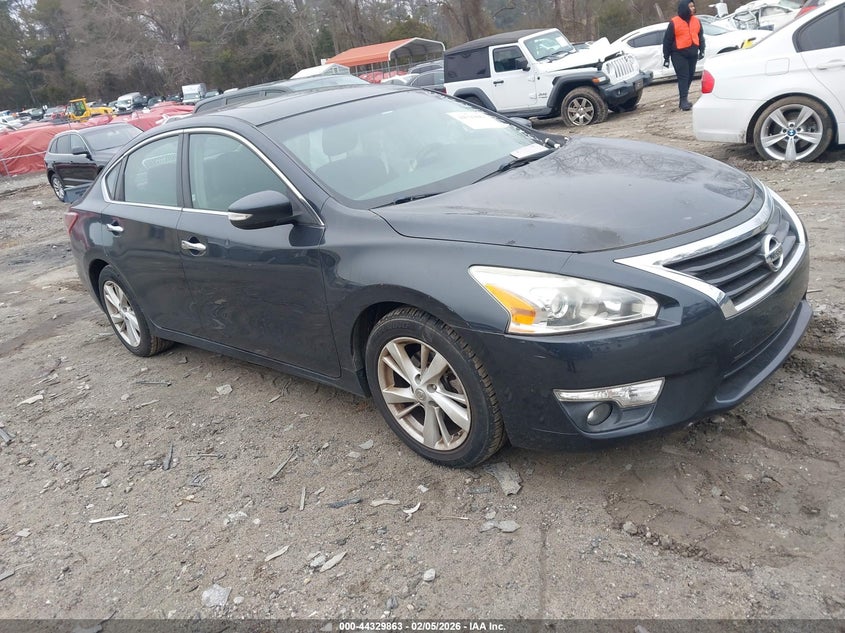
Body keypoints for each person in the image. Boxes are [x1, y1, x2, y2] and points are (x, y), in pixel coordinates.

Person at [663, 0, 705, 111]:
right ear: (684, 8)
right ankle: (683, 101)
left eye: (693, 6)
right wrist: (666, 57)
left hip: (692, 53)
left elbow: (700, 36)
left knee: (690, 75)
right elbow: (667, 40)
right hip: (678, 54)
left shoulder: (696, 21)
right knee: (684, 76)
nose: (693, 8)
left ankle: (684, 97)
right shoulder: (674, 22)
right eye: (690, 6)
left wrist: (702, 49)